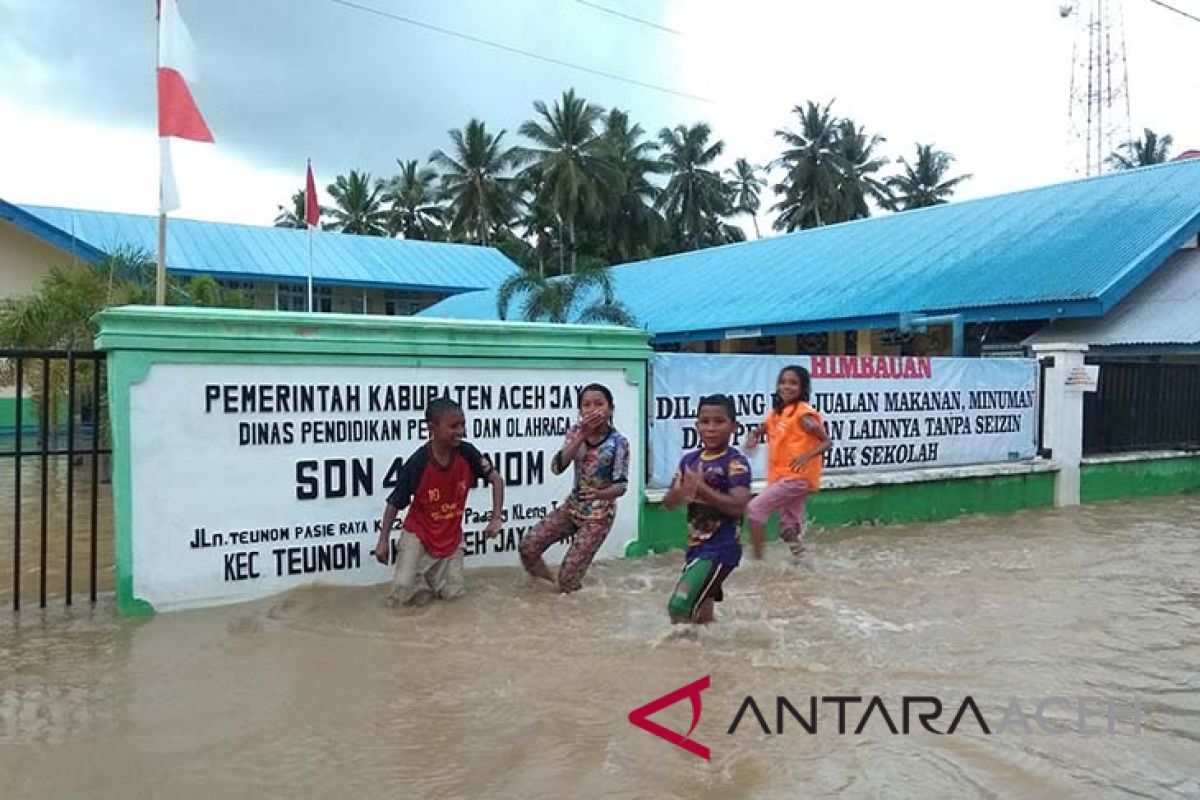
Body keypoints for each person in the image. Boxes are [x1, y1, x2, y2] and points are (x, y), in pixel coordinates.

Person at [372, 397, 504, 606]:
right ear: (432, 428)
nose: (460, 431)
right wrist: (383, 540)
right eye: (453, 426)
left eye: (462, 424)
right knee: (400, 595)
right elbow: (394, 503)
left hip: (450, 539)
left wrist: (496, 518)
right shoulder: (417, 463)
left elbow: (496, 479)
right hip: (419, 536)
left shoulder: (468, 453)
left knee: (455, 600)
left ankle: (429, 584)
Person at [519, 383, 629, 592]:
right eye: (586, 405)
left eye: (599, 404)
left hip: (599, 516)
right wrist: (581, 436)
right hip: (572, 508)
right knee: (528, 547)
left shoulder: (618, 443)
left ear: (611, 409)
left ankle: (575, 609)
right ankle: (544, 589)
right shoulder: (575, 433)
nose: (592, 409)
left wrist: (599, 493)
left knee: (569, 579)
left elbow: (621, 486)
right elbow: (557, 467)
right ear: (580, 411)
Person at [665, 394, 751, 625]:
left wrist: (701, 489)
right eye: (704, 421)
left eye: (719, 421)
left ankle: (681, 660)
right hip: (696, 548)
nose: (711, 428)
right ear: (696, 425)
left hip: (722, 549)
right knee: (702, 617)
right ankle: (707, 659)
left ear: (734, 426)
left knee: (679, 606)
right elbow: (669, 504)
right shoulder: (689, 461)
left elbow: (739, 507)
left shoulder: (735, 463)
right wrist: (681, 491)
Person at [744, 365, 831, 560]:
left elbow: (827, 442)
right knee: (788, 530)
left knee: (755, 509)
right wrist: (753, 437)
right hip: (782, 477)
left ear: (803, 388)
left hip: (796, 477)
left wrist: (807, 456)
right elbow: (761, 429)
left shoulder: (803, 415)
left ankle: (758, 562)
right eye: (783, 382)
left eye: (793, 383)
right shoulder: (778, 413)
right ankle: (807, 565)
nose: (786, 387)